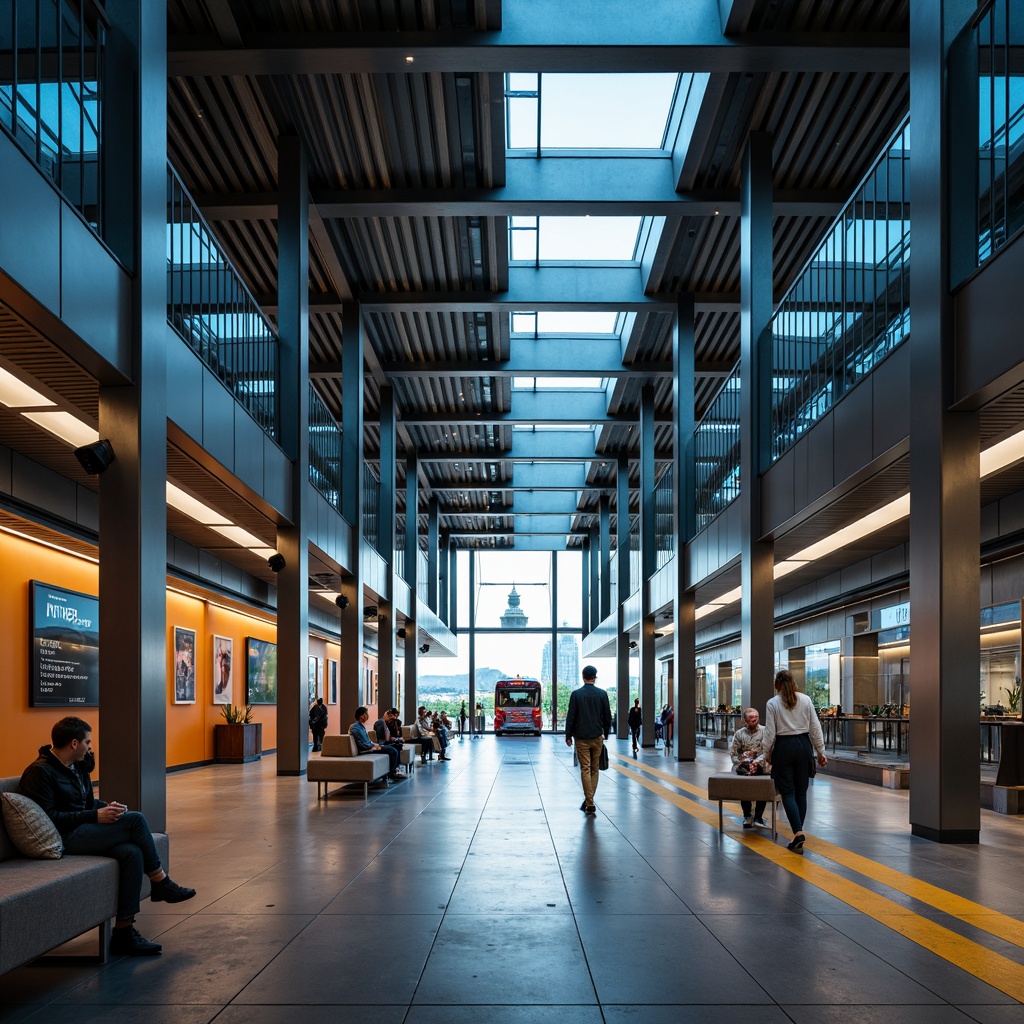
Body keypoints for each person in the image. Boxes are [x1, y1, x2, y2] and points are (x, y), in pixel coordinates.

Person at [19, 717, 196, 957]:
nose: (90, 747)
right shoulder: (39, 773)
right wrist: (95, 816)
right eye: (87, 742)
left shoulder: (77, 765)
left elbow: (85, 803)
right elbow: (48, 818)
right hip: (64, 837)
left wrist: (105, 807)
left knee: (131, 853)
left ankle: (124, 932)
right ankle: (160, 882)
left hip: (81, 829)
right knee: (135, 820)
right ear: (73, 743)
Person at [762, 669, 828, 854]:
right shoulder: (805, 699)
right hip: (803, 746)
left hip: (784, 747)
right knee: (801, 793)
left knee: (788, 794)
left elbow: (770, 732)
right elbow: (815, 727)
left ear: (776, 684)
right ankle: (798, 832)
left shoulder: (772, 703)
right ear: (793, 682)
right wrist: (820, 751)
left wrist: (766, 752)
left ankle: (798, 832)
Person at [564, 665, 612, 815]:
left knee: (585, 768)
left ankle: (589, 801)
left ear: (583, 676)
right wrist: (606, 733)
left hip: (581, 738)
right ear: (595, 676)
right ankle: (589, 800)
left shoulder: (576, 694)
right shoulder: (602, 694)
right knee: (594, 769)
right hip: (597, 736)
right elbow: (607, 716)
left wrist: (568, 735)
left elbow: (571, 716)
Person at [730, 707, 768, 828]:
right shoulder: (739, 734)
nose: (754, 720)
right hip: (744, 766)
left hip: (761, 766)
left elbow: (768, 751)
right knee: (744, 787)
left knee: (762, 788)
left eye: (756, 717)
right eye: (751, 718)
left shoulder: (765, 731)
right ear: (744, 720)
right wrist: (741, 762)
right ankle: (747, 815)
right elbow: (734, 753)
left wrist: (756, 762)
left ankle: (759, 816)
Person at [350, 707, 403, 782]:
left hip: (371, 747)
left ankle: (393, 772)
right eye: (366, 714)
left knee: (394, 748)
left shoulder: (360, 726)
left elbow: (367, 741)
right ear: (362, 716)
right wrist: (375, 746)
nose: (367, 716)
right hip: (367, 750)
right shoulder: (355, 727)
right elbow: (363, 743)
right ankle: (392, 774)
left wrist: (374, 744)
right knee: (392, 751)